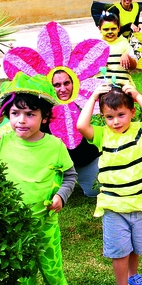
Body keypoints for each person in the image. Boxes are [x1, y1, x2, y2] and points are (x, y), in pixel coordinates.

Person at [0, 72, 77, 285]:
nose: (21, 120)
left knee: (54, 275)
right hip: (14, 228)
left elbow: (70, 175)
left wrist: (61, 195)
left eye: (30, 114)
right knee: (22, 279)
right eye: (15, 113)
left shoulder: (54, 145)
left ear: (44, 117)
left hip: (46, 226)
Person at [77, 83, 142, 285]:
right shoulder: (101, 135)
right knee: (120, 250)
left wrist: (137, 95)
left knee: (136, 246)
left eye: (121, 115)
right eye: (109, 117)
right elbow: (82, 126)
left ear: (132, 112)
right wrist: (92, 98)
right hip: (114, 204)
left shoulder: (141, 131)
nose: (115, 121)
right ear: (103, 117)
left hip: (140, 201)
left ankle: (133, 275)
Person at [52, 69, 101, 197]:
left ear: (73, 83)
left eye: (66, 83)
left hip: (86, 160)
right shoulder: (41, 109)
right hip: (57, 166)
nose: (62, 89)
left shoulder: (85, 102)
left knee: (95, 191)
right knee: (49, 195)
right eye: (57, 85)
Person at [95, 12, 137, 87]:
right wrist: (97, 63)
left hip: (122, 86)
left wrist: (127, 57)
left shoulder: (124, 43)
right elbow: (87, 68)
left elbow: (134, 66)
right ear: (99, 29)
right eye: (106, 29)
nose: (110, 32)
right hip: (101, 86)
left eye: (113, 28)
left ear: (119, 28)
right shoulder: (96, 45)